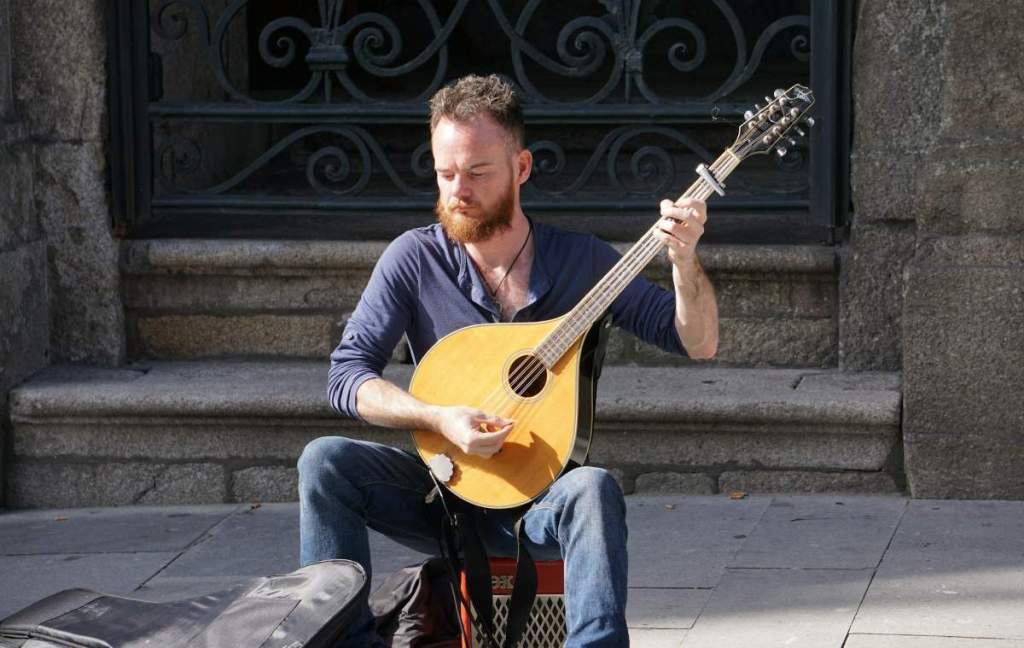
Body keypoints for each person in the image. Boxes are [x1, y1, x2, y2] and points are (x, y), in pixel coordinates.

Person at [298, 74, 719, 647]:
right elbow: (347, 377)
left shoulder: (582, 261)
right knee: (324, 461)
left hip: (541, 499)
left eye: (477, 173)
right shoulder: (414, 258)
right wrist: (438, 417)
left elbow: (697, 341)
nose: (457, 190)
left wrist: (683, 262)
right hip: (440, 490)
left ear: (521, 168)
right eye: (446, 174)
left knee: (594, 490)